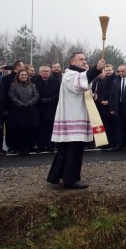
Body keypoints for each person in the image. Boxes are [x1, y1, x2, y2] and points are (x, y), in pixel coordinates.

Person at [46, 52, 105, 189]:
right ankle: (70, 180)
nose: (84, 61)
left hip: (75, 115)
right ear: (72, 61)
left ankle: (58, 176)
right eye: (81, 59)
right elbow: (81, 84)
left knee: (67, 150)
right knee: (73, 150)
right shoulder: (69, 75)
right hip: (73, 117)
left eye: (85, 59)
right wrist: (96, 69)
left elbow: (84, 86)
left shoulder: (77, 75)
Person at [7, 68, 40, 156]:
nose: (24, 76)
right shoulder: (13, 85)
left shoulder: (32, 85)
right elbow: (11, 95)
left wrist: (29, 104)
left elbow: (36, 95)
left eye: (25, 75)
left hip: (30, 110)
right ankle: (20, 148)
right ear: (18, 76)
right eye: (22, 75)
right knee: (19, 131)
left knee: (29, 130)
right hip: (18, 111)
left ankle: (28, 147)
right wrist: (20, 104)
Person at [35, 65, 60, 152]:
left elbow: (59, 93)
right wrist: (40, 100)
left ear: (50, 72)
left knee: (51, 128)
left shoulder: (56, 81)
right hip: (39, 107)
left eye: (47, 71)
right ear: (39, 72)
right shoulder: (34, 81)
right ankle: (40, 145)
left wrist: (51, 99)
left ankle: (51, 145)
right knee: (40, 128)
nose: (45, 73)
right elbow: (33, 92)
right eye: (43, 71)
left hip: (52, 107)